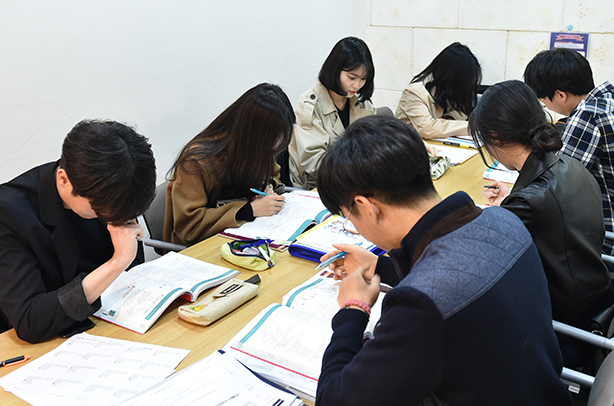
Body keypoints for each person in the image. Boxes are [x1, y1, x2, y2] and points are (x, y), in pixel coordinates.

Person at [313, 116, 572, 406]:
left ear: (367, 207)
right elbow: (458, 272)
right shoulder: (504, 221)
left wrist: (353, 311)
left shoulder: (422, 305)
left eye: (348, 217)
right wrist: (381, 266)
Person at [472, 81, 614, 356]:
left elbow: (481, 261)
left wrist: (509, 207)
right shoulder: (569, 164)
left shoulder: (529, 202)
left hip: (564, 323)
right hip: (595, 295)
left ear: (494, 136)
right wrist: (512, 201)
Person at [0, 120, 156, 343]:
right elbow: (30, 321)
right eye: (100, 211)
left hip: (106, 325)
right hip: (45, 342)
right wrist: (117, 262)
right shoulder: (8, 214)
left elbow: (132, 270)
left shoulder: (114, 191)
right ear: (63, 179)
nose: (112, 218)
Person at [524, 48, 614, 259]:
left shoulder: (588, 117)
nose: (546, 105)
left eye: (544, 100)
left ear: (560, 95)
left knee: (532, 226)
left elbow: (555, 186)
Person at [164, 83, 295, 246]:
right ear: (254, 133)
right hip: (203, 245)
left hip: (245, 234)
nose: (274, 145)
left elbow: (273, 174)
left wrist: (267, 187)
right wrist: (249, 210)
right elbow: (190, 226)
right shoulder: (196, 161)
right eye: (272, 138)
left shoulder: (257, 147)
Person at [289, 36, 376, 189]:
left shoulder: (361, 102)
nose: (357, 85)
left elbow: (374, 145)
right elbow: (314, 163)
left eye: (363, 79)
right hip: (319, 187)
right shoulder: (310, 104)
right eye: (351, 77)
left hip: (356, 181)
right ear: (335, 70)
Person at [395, 42, 481, 139]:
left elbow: (462, 108)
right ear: (450, 76)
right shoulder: (415, 92)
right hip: (404, 143)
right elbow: (427, 129)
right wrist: (475, 127)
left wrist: (451, 118)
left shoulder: (447, 88)